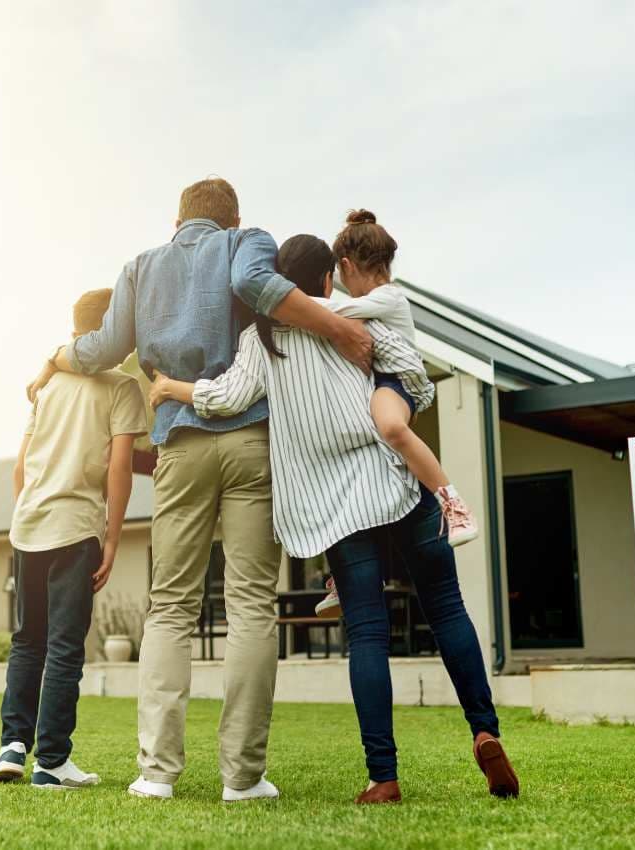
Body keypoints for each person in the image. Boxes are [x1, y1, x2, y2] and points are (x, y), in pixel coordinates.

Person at [26, 178, 373, 801]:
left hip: (179, 445)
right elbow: (256, 287)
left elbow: (106, 347)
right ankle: (242, 778)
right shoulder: (247, 241)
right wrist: (339, 329)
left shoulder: (140, 266)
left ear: (176, 220)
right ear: (233, 217)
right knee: (249, 606)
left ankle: (156, 773)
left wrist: (57, 354)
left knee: (171, 607)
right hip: (249, 445)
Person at [150, 232, 518, 805]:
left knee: (367, 633)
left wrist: (170, 387)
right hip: (394, 481)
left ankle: (383, 777)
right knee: (446, 608)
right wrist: (395, 399)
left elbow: (225, 397)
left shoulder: (261, 337)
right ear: (328, 279)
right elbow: (411, 375)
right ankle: (485, 730)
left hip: (336, 510)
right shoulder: (351, 316)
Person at [0, 288, 148, 790]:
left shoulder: (47, 386)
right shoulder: (121, 387)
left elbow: (19, 467)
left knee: (26, 641)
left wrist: (28, 514)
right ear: (111, 332)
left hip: (28, 526)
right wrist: (113, 538)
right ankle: (51, 761)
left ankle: (12, 746)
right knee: (63, 647)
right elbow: (120, 466)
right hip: (75, 529)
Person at [312, 209, 477, 619]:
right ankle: (340, 575)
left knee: (388, 427)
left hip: (396, 384)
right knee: (362, 479)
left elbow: (333, 314)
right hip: (378, 387)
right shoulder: (372, 299)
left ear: (347, 266)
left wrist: (283, 300)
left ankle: (452, 503)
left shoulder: (388, 297)